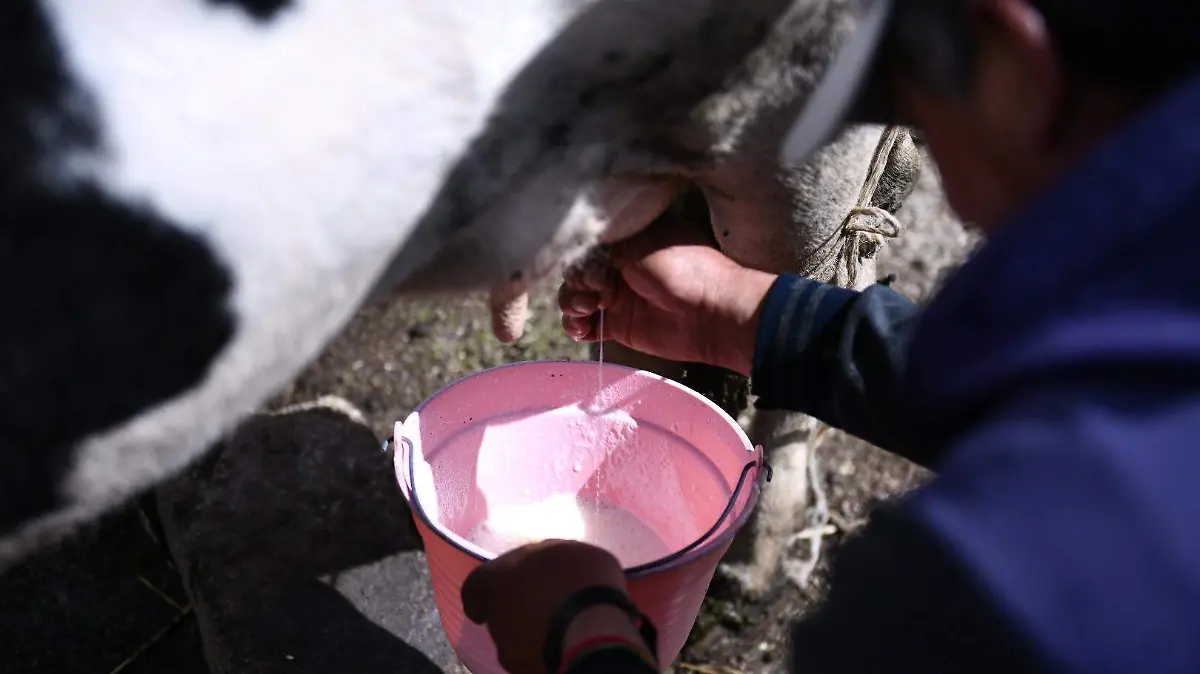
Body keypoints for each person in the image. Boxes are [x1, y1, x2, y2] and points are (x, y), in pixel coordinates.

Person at [460, 0, 1200, 671]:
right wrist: (754, 317)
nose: (925, 152)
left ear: (1011, 61)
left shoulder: (987, 593)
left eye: (903, 99)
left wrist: (581, 638)